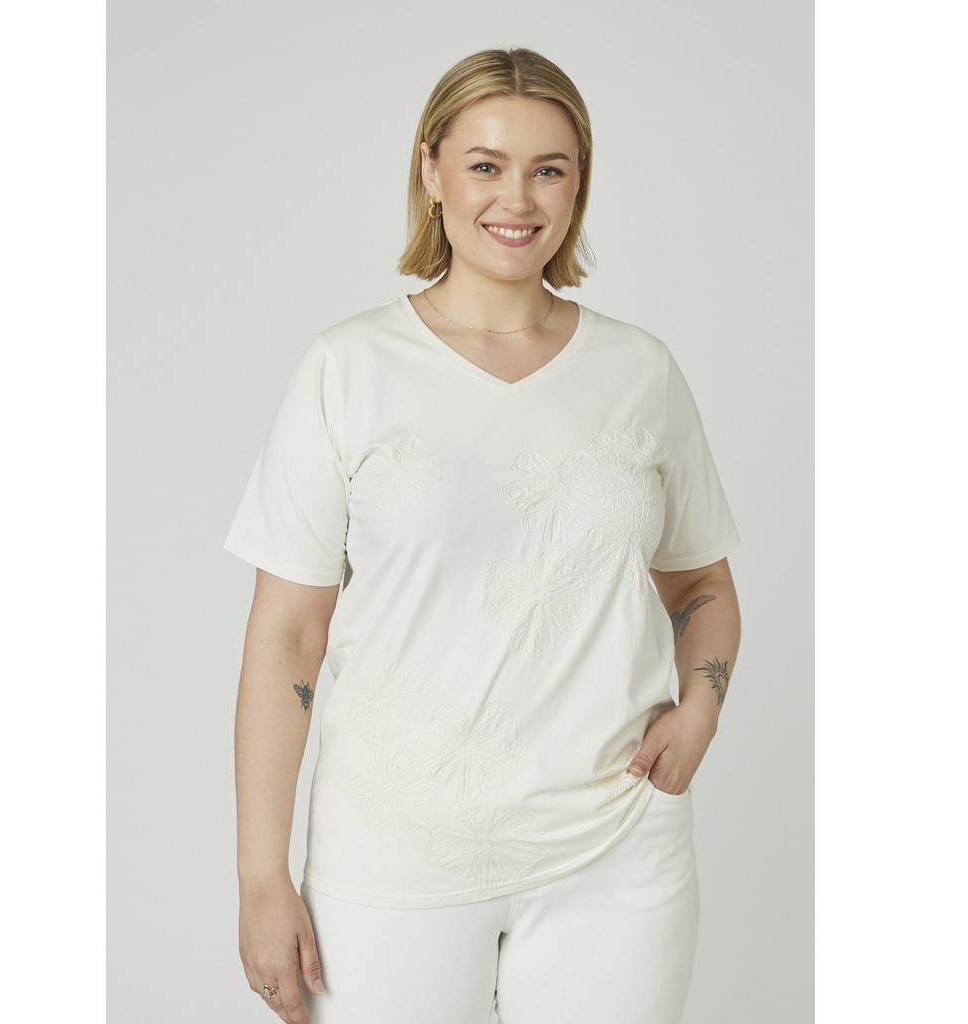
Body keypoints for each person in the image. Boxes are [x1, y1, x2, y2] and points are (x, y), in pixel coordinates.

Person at [225, 47, 741, 1024]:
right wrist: (262, 878)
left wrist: (701, 708)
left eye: (549, 168)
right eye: (485, 164)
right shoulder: (347, 370)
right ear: (431, 171)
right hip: (393, 860)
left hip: (615, 852)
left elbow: (702, 584)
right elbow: (286, 636)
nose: (518, 198)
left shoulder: (640, 372)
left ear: (579, 184)